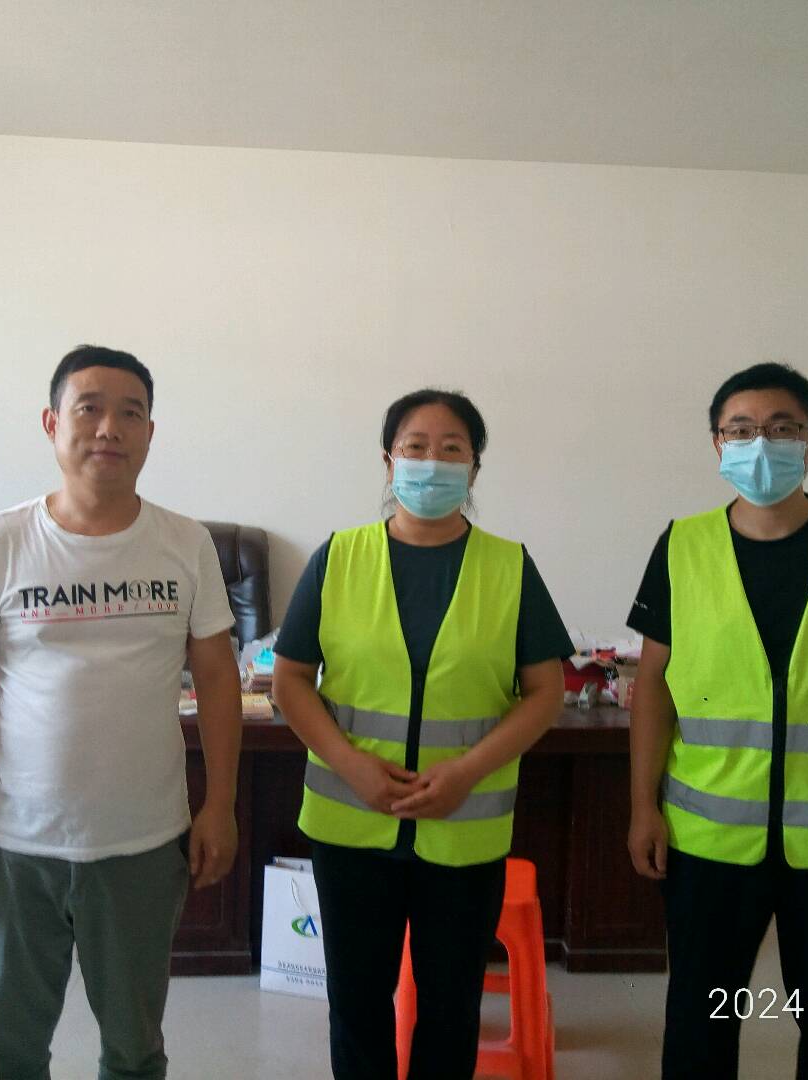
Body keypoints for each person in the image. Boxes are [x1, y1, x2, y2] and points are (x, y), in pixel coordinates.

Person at [0, 345, 243, 1080]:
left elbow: (219, 679)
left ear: (150, 432)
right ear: (51, 423)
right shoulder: (0, 542)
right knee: (10, 1049)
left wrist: (219, 805)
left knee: (134, 1048)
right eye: (88, 409)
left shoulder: (184, 543)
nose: (108, 429)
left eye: (130, 413)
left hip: (143, 845)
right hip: (17, 846)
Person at [626, 362, 808, 1080]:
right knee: (700, 1021)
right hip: (707, 839)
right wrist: (643, 807)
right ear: (717, 443)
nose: (762, 445)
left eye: (783, 429)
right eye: (742, 430)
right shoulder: (682, 545)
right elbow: (653, 686)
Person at [272, 388, 572, 1080]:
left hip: (463, 830)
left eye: (451, 449)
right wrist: (350, 764)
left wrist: (465, 772)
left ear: (474, 467)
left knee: (450, 1009)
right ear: (388, 460)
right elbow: (290, 680)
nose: (432, 462)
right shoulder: (339, 557)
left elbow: (545, 692)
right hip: (351, 827)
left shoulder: (509, 567)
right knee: (357, 1004)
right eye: (415, 446)